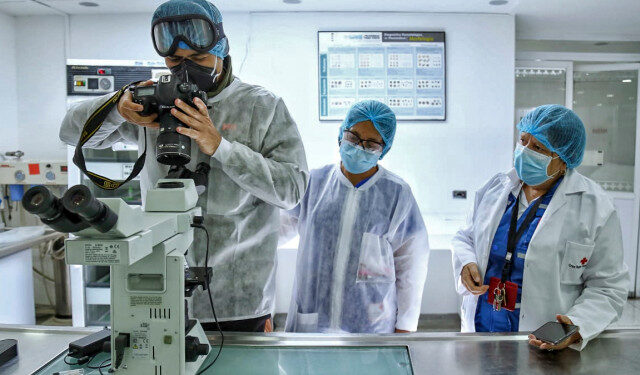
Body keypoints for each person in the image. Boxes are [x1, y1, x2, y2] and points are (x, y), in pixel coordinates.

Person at [59, 0, 309, 332]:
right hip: (160, 287)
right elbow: (70, 133)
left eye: (198, 59)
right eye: (175, 60)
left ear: (222, 48)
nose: (185, 67)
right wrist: (118, 109)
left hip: (238, 296)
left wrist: (221, 147)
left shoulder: (261, 106)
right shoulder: (154, 99)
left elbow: (293, 189)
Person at [451, 104, 629, 350]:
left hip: (543, 339)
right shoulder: (496, 187)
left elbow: (608, 287)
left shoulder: (595, 207)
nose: (524, 152)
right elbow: (465, 236)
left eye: (538, 148)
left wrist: (574, 325)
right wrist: (466, 262)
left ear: (564, 160)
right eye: (523, 141)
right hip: (482, 328)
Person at [281, 100, 430, 333]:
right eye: (353, 137)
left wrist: (406, 327)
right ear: (341, 135)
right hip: (311, 322)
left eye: (371, 144)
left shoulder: (397, 195)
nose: (359, 147)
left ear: (384, 149)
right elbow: (272, 235)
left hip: (370, 326)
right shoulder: (313, 184)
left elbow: (411, 267)